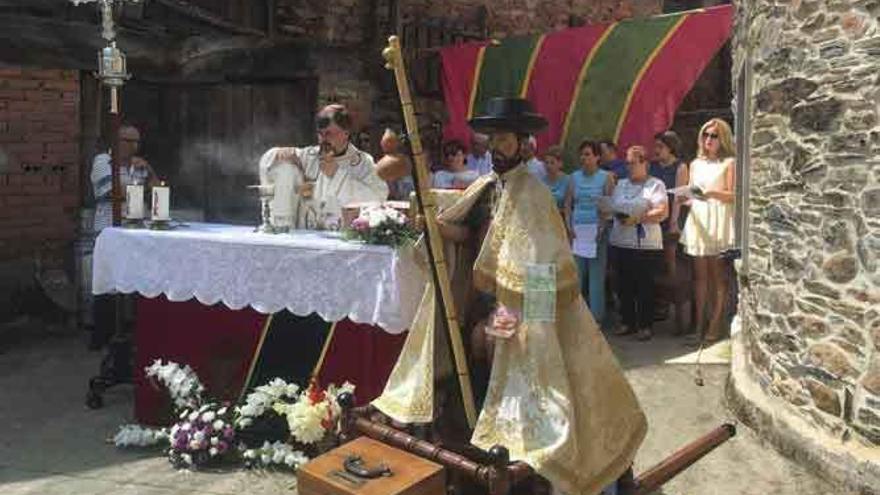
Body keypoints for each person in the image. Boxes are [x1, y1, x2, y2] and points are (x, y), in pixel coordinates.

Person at [373, 97, 646, 495]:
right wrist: (434, 223)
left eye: (504, 138)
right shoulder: (486, 186)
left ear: (524, 144)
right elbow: (467, 233)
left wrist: (527, 328)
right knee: (471, 364)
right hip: (479, 305)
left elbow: (542, 268)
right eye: (492, 137)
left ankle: (511, 463)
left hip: (516, 313)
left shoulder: (534, 195)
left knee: (499, 359)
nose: (495, 146)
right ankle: (473, 456)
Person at [258, 104, 388, 230]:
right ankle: (281, 228)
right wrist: (279, 153)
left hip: (342, 237)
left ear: (346, 133)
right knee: (283, 167)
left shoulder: (362, 162)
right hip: (305, 236)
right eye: (320, 134)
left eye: (329, 133)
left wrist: (336, 175)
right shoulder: (310, 156)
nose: (323, 140)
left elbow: (377, 198)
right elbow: (268, 159)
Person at [89, 124, 158, 350]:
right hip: (109, 229)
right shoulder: (103, 161)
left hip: (136, 230)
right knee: (109, 281)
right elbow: (107, 191)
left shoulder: (140, 165)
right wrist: (133, 179)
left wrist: (149, 169)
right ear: (116, 141)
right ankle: (101, 335)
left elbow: (157, 190)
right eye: (129, 141)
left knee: (136, 279)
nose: (134, 146)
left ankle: (133, 330)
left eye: (137, 142)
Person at [680, 118, 736, 345]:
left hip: (718, 218)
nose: (708, 140)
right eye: (705, 135)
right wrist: (687, 198)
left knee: (718, 277)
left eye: (713, 135)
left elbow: (733, 195)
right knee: (699, 278)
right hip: (699, 218)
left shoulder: (730, 162)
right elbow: (693, 193)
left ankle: (716, 325)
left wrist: (712, 193)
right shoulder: (695, 163)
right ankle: (699, 326)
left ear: (722, 138)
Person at [609, 146, 668, 341]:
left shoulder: (655, 185)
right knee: (623, 284)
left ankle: (645, 325)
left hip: (645, 244)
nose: (629, 166)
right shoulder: (621, 184)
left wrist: (637, 219)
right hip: (620, 241)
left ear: (645, 163)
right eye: (627, 162)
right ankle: (627, 322)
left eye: (633, 162)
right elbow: (613, 205)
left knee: (644, 285)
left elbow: (662, 212)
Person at [565, 140, 614, 329]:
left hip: (597, 233)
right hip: (577, 232)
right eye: (582, 154)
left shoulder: (606, 177)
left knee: (596, 276)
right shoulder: (573, 178)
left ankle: (596, 320)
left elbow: (609, 206)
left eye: (587, 154)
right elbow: (568, 204)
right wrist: (569, 226)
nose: (583, 158)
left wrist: (601, 228)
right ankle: (576, 316)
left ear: (597, 157)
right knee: (577, 275)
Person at [648, 131, 688, 325]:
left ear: (670, 147)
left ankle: (676, 307)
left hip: (670, 217)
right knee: (654, 261)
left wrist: (674, 222)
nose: (656, 150)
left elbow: (679, 197)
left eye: (660, 147)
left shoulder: (680, 167)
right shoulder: (653, 166)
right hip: (654, 218)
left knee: (670, 261)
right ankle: (658, 303)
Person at [541, 144, 570, 212]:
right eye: (546, 162)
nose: (548, 166)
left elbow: (569, 205)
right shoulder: (541, 182)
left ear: (560, 163)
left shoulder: (568, 180)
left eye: (552, 163)